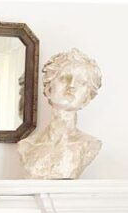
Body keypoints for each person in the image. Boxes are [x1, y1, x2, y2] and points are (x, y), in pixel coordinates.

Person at [18, 48, 103, 179]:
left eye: (81, 82)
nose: (71, 86)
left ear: (87, 97)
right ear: (48, 88)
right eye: (64, 78)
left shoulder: (88, 145)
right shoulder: (26, 146)